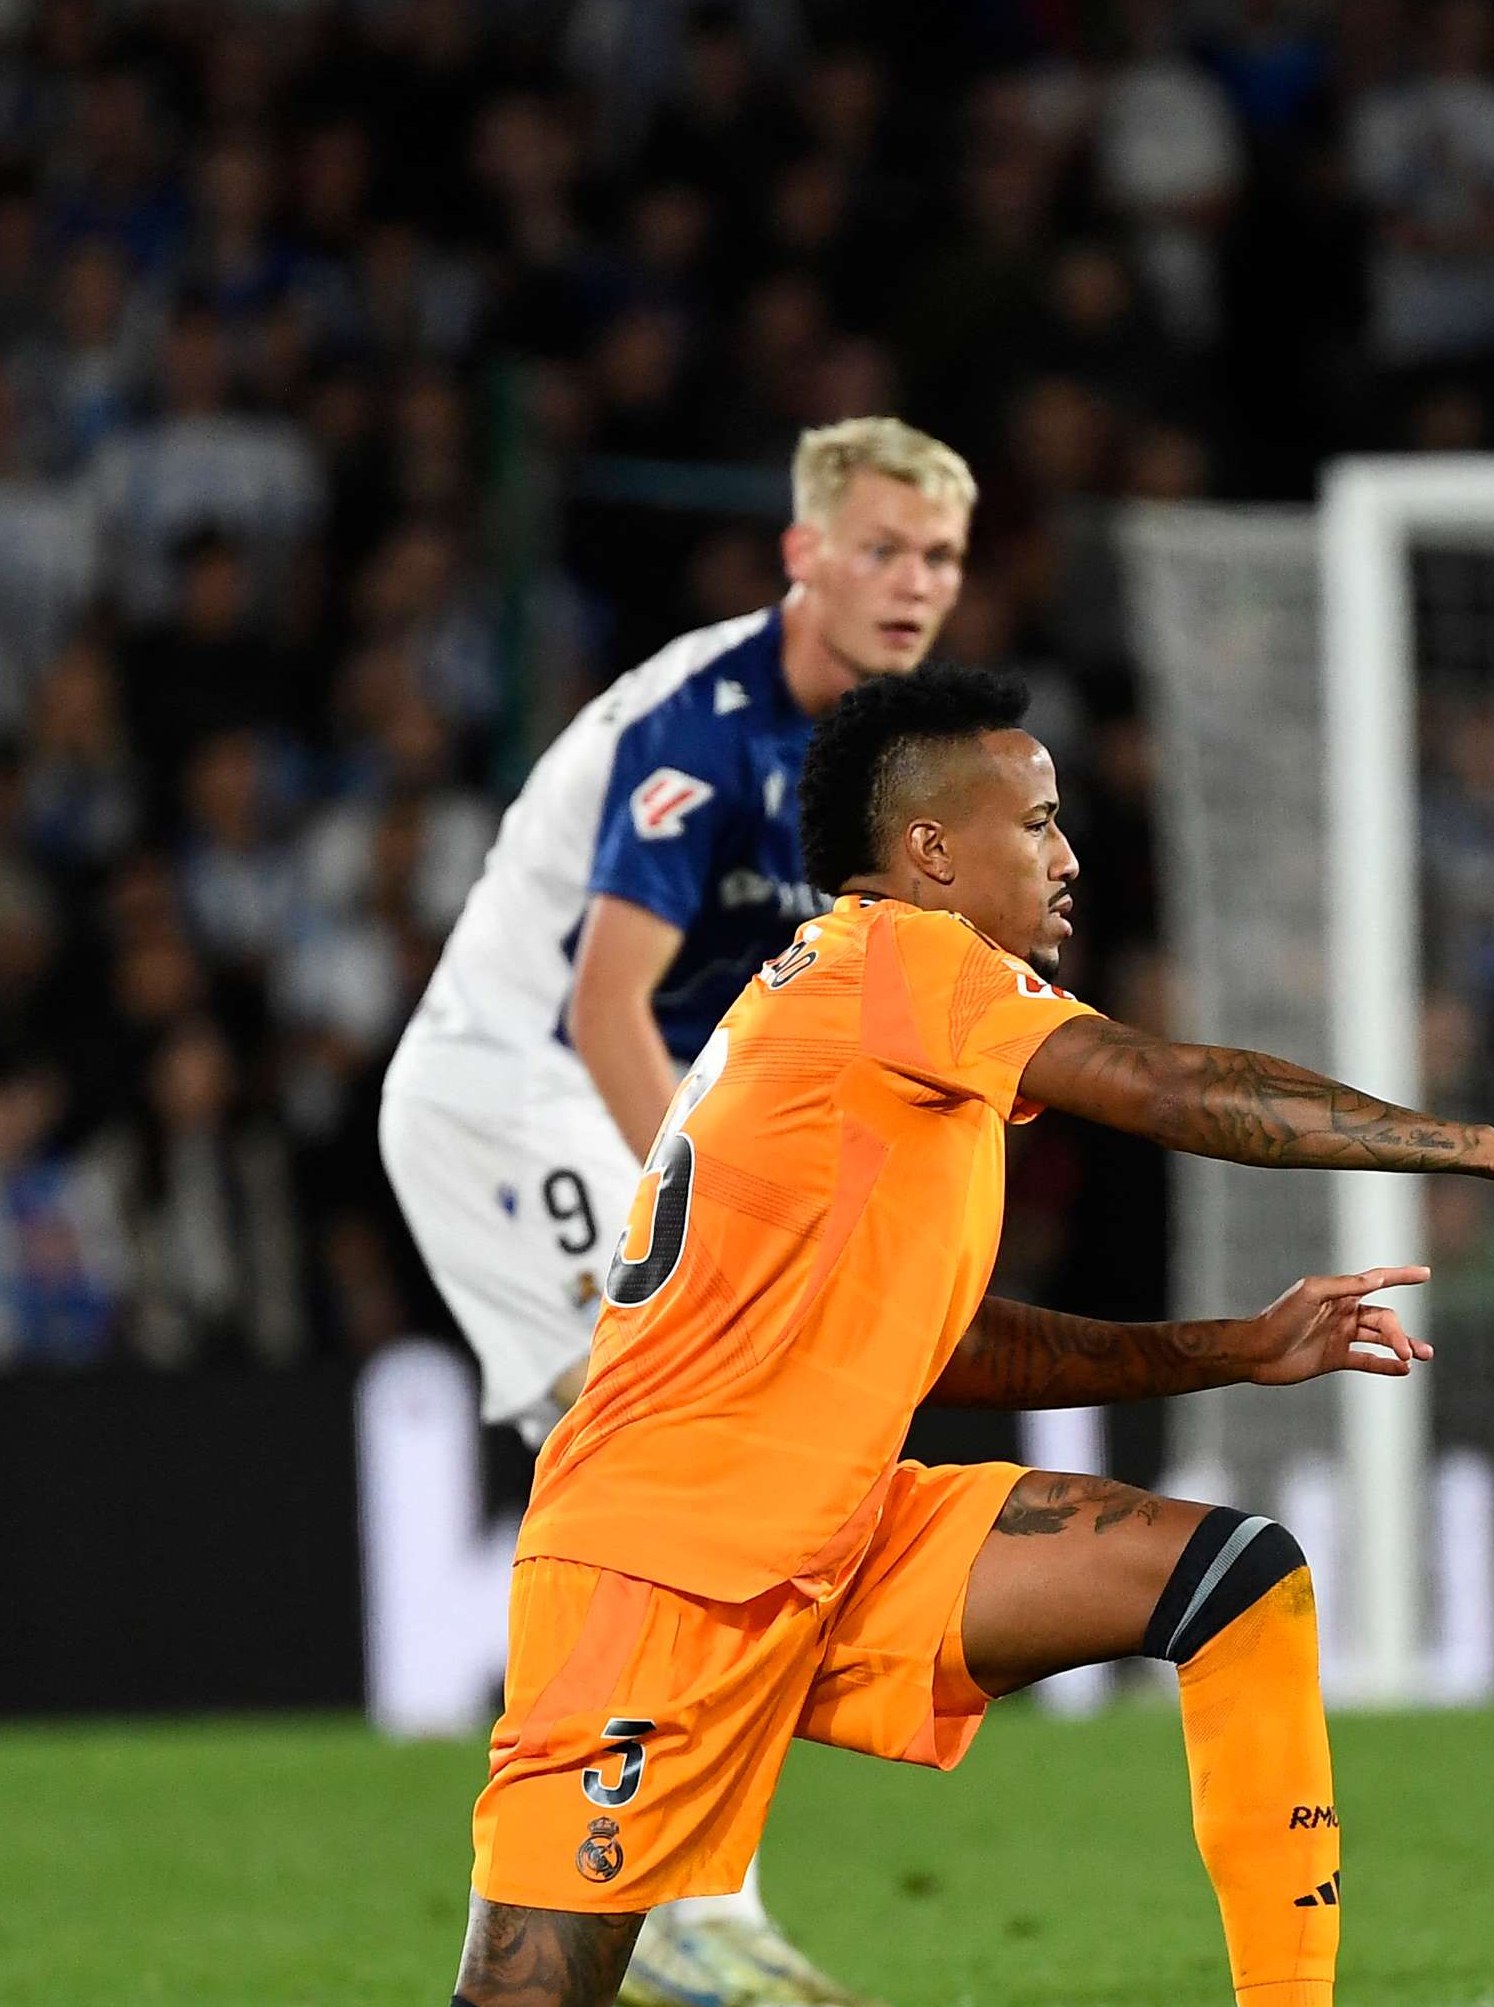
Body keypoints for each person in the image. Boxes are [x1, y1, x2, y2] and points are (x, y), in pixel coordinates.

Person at [450, 662, 1494, 2007]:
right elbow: (1173, 1086)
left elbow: (949, 1345)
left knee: (1235, 1578)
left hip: (839, 1534)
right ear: (928, 851)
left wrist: (1229, 1347)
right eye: (1035, 822)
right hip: (660, 1566)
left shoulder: (869, 1019)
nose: (1069, 855)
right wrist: (1481, 1148)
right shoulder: (906, 963)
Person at [382, 415, 977, 2006]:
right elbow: (606, 1011)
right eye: (882, 550)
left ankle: (631, 1901)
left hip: (611, 1111)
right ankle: (673, 1906)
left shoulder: (879, 751)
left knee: (694, 1479)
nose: (913, 584)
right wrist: (729, 1227)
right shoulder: (701, 729)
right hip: (507, 1101)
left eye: (939, 558)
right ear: (802, 555)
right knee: (681, 1470)